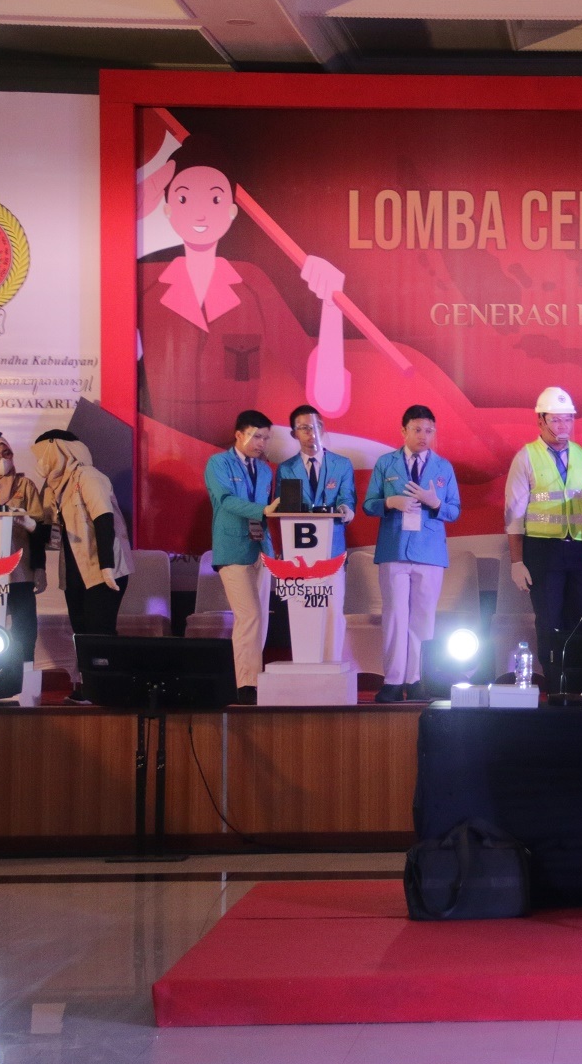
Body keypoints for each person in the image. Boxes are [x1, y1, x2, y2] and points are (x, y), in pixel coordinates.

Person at [138, 157, 348, 445]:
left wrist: (332, 305)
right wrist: (132, 215)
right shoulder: (145, 280)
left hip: (237, 453)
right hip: (164, 452)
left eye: (215, 199)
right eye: (184, 199)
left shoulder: (252, 285)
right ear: (167, 209)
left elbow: (327, 399)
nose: (200, 214)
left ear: (232, 211)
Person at [363, 405, 462, 703]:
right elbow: (368, 505)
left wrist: (435, 503)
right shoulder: (386, 463)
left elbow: (454, 511)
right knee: (395, 616)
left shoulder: (443, 467)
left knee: (423, 619)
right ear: (403, 430)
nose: (423, 436)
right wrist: (389, 502)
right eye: (417, 430)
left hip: (430, 551)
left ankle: (417, 679)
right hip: (394, 548)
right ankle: (393, 681)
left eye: (429, 430)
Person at [503, 387, 582, 671]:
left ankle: (580, 679)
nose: (563, 426)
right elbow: (514, 514)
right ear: (540, 421)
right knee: (549, 620)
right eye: (556, 420)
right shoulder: (526, 457)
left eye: (568, 419)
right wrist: (517, 561)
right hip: (543, 551)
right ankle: (554, 680)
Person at [32, 430, 133, 704]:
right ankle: (87, 684)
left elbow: (103, 519)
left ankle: (107, 687)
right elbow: (47, 529)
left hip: (102, 567)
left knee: (100, 628)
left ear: (58, 450)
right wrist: (30, 530)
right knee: (81, 629)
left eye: (43, 455)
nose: (40, 462)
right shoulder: (53, 486)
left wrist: (107, 566)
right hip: (74, 568)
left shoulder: (88, 476)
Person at [206, 410, 281, 704]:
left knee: (260, 619)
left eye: (266, 438)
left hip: (260, 548)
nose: (262, 443)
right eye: (256, 436)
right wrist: (262, 510)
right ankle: (245, 685)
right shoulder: (218, 463)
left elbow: (268, 509)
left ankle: (253, 680)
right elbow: (225, 500)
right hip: (232, 548)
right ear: (239, 434)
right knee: (249, 615)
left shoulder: (265, 470)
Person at [275, 405, 356, 662]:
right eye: (305, 428)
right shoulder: (285, 468)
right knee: (303, 610)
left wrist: (346, 510)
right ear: (294, 434)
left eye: (317, 426)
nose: (312, 433)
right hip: (299, 554)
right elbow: (282, 508)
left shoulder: (341, 464)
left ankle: (331, 665)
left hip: (332, 551)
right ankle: (306, 663)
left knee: (333, 611)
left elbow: (347, 498)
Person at [0, 432, 49, 667]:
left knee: (25, 629)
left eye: (7, 453)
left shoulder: (25, 485)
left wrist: (40, 568)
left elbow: (39, 531)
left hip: (20, 572)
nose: (2, 459)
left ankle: (24, 674)